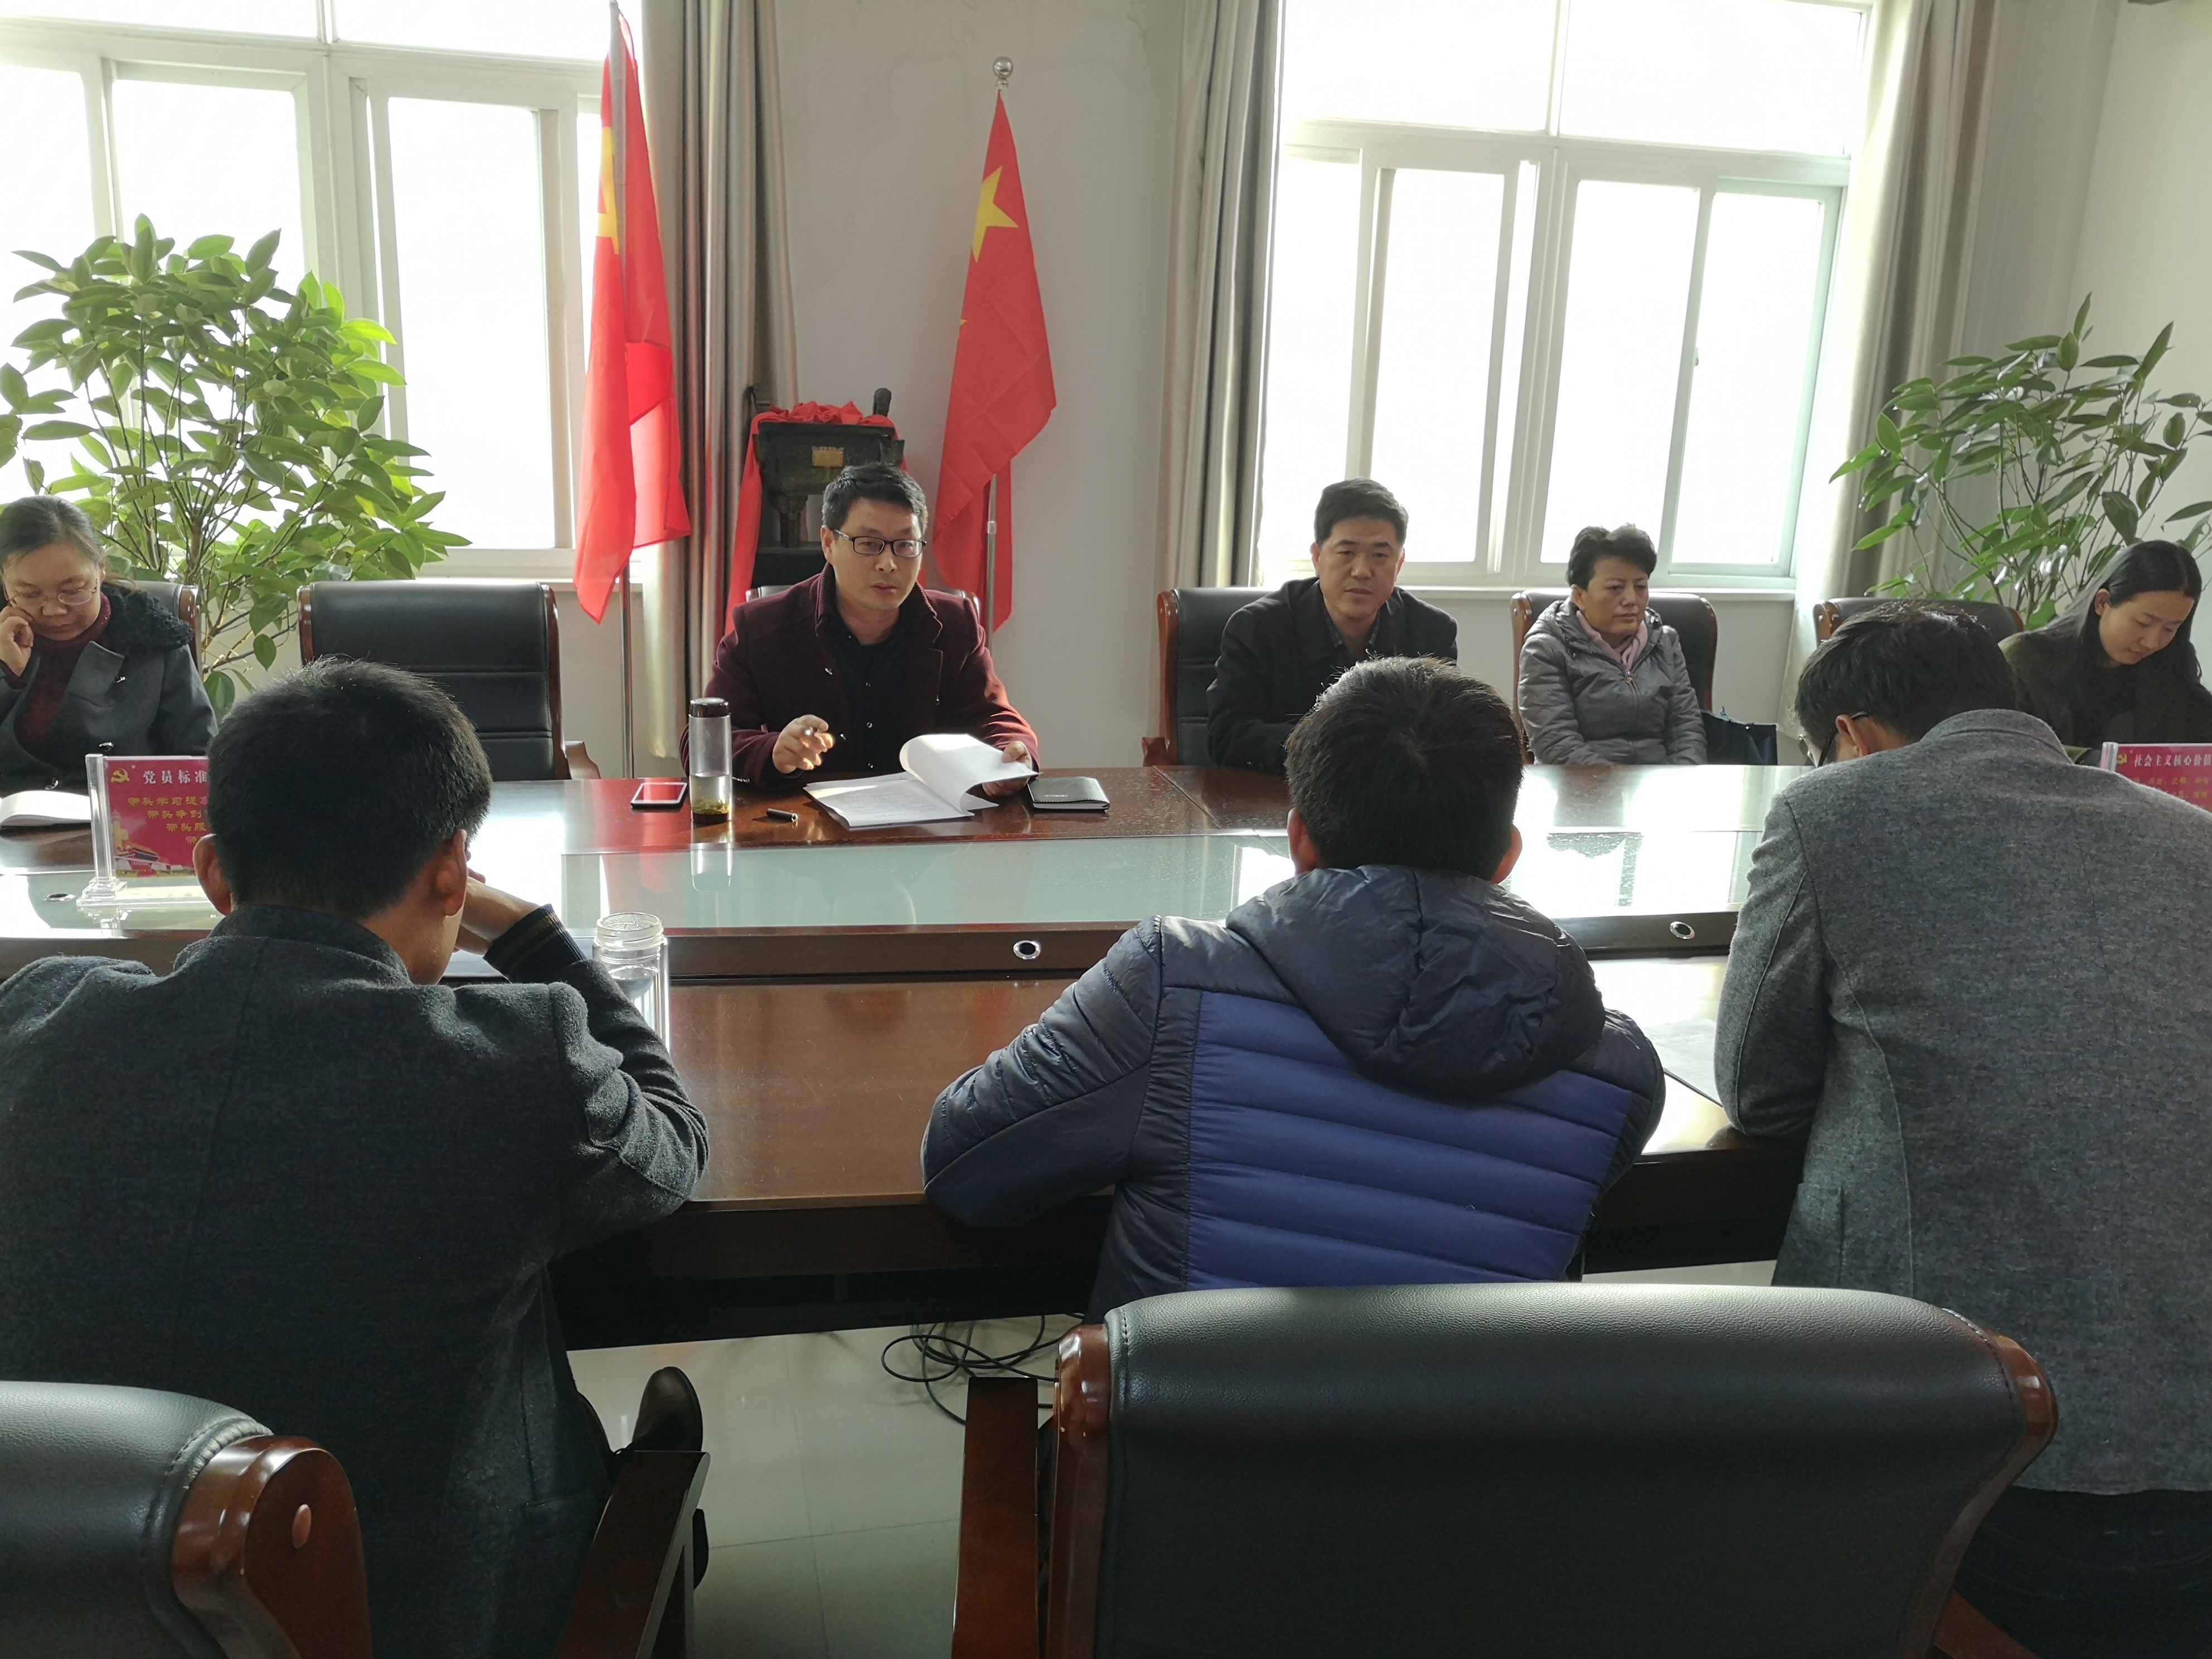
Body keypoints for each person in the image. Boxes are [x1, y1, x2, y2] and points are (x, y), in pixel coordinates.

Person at [0, 659, 707, 1659]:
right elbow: (673, 1145)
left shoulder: (38, 1021)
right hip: (442, 1619)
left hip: (66, 1619)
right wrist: (537, 939)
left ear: (213, 874)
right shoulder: (514, 1060)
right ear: (454, 875)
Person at [1715, 601, 2212, 1657]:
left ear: (1849, 736)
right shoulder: (2191, 835)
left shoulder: (1830, 812)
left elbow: (1759, 1089)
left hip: (1952, 1451)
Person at [923, 656, 1663, 1316]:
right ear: (1507, 857)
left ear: (1299, 839)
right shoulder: (1619, 1070)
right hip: (1465, 1434)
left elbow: (965, 1167)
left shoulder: (1170, 984)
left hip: (1185, 1428)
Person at [700, 463, 1037, 789]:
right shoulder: (761, 628)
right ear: (828, 544)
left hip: (927, 820)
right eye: (868, 544)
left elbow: (994, 718)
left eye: (905, 545)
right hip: (804, 821)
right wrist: (772, 752)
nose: (888, 564)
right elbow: (705, 741)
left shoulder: (955, 624)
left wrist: (1011, 754)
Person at [1205, 478, 1457, 773]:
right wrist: (1337, 748)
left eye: (1380, 555)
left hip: (1393, 795)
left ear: (1399, 564)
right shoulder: (1257, 629)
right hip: (1285, 791)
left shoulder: (1432, 632)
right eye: (1347, 553)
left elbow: (1446, 737)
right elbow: (1228, 736)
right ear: (1318, 557)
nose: (1362, 571)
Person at [0, 495, 214, 794]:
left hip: (124, 816)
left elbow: (199, 762)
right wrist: (7, 673)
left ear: (100, 567)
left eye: (72, 590)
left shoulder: (153, 638)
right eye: (30, 595)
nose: (54, 610)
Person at [1516, 523, 1705, 765]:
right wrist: (1618, 787)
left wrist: (1679, 781)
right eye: (1616, 588)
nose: (1631, 600)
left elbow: (1687, 729)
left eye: (1641, 587)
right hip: (1582, 783)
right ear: (1580, 596)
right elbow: (1556, 745)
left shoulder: (1665, 643)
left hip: (1659, 783)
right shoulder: (1546, 648)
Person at [2002, 539, 2212, 748]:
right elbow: (2002, 749)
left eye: (2169, 629)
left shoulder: (2171, 664)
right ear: (2102, 602)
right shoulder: (2025, 660)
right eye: (2143, 623)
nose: (2152, 642)